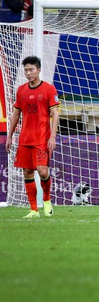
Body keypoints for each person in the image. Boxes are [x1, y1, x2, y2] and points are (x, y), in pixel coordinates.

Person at [5, 56, 60, 218]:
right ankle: (34, 210)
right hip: (25, 139)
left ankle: (47, 200)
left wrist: (53, 137)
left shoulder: (49, 89)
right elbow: (16, 114)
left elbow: (55, 114)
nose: (28, 73)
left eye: (31, 70)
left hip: (42, 139)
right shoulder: (21, 90)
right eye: (26, 70)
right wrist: (9, 136)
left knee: (42, 171)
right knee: (28, 172)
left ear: (39, 70)